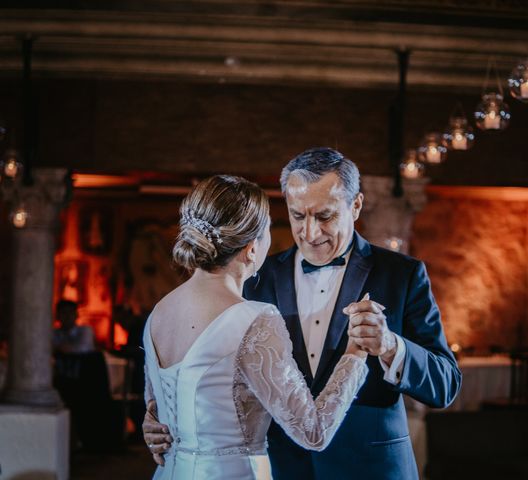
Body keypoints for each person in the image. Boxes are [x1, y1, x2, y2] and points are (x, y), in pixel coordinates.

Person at [145, 148, 462, 479]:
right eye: (298, 216)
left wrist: (391, 347)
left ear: (355, 206)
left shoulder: (401, 274)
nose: (310, 233)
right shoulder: (255, 279)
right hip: (284, 468)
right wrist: (161, 419)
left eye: (324, 216)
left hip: (371, 468)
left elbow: (445, 384)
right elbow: (207, 368)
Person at [143, 175, 369, 479]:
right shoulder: (253, 319)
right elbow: (312, 431)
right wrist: (356, 351)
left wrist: (151, 423)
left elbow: (155, 408)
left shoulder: (158, 313)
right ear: (252, 248)